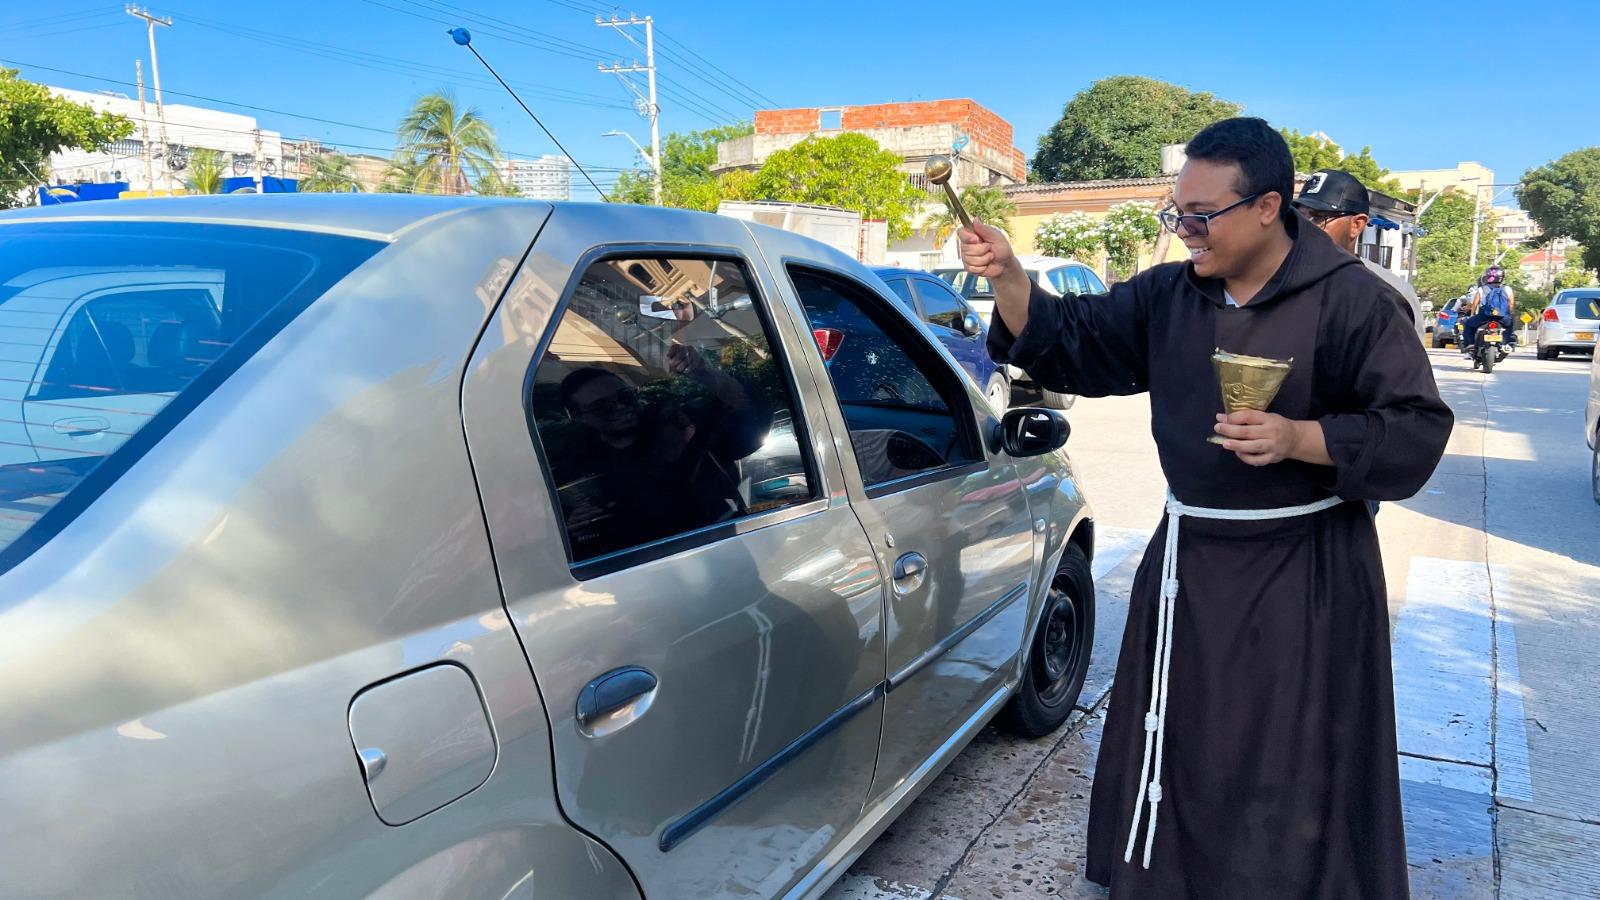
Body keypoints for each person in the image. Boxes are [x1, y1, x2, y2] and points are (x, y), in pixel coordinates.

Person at [960, 117, 1452, 898]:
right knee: (1181, 733)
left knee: (1286, 749)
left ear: (1267, 206)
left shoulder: (1355, 302)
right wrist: (1010, 276)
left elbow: (1417, 430)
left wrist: (1302, 437)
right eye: (1177, 213)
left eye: (1201, 215)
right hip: (1191, 559)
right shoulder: (1171, 294)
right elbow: (1074, 340)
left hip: (1306, 567)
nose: (1185, 230)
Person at [554, 343, 765, 560]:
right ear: (576, 416)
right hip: (634, 572)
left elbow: (749, 422)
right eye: (602, 407)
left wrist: (703, 372)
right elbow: (564, 547)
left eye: (625, 396)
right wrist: (577, 529)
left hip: (721, 551)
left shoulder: (680, 427)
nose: (619, 407)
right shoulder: (574, 468)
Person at [1293, 168, 1423, 336]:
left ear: (1357, 225)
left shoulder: (1392, 295)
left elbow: (1408, 361)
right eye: (1299, 217)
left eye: (1318, 218)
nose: (1305, 227)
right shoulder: (1275, 281)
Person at [1458, 265, 1516, 363]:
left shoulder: (1482, 289)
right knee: (1509, 325)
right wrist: (1508, 314)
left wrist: (1472, 314)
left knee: (1468, 324)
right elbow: (1511, 304)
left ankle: (1471, 344)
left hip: (1484, 316)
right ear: (1502, 277)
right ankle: (1506, 344)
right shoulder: (1507, 289)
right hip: (1502, 317)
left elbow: (1475, 304)